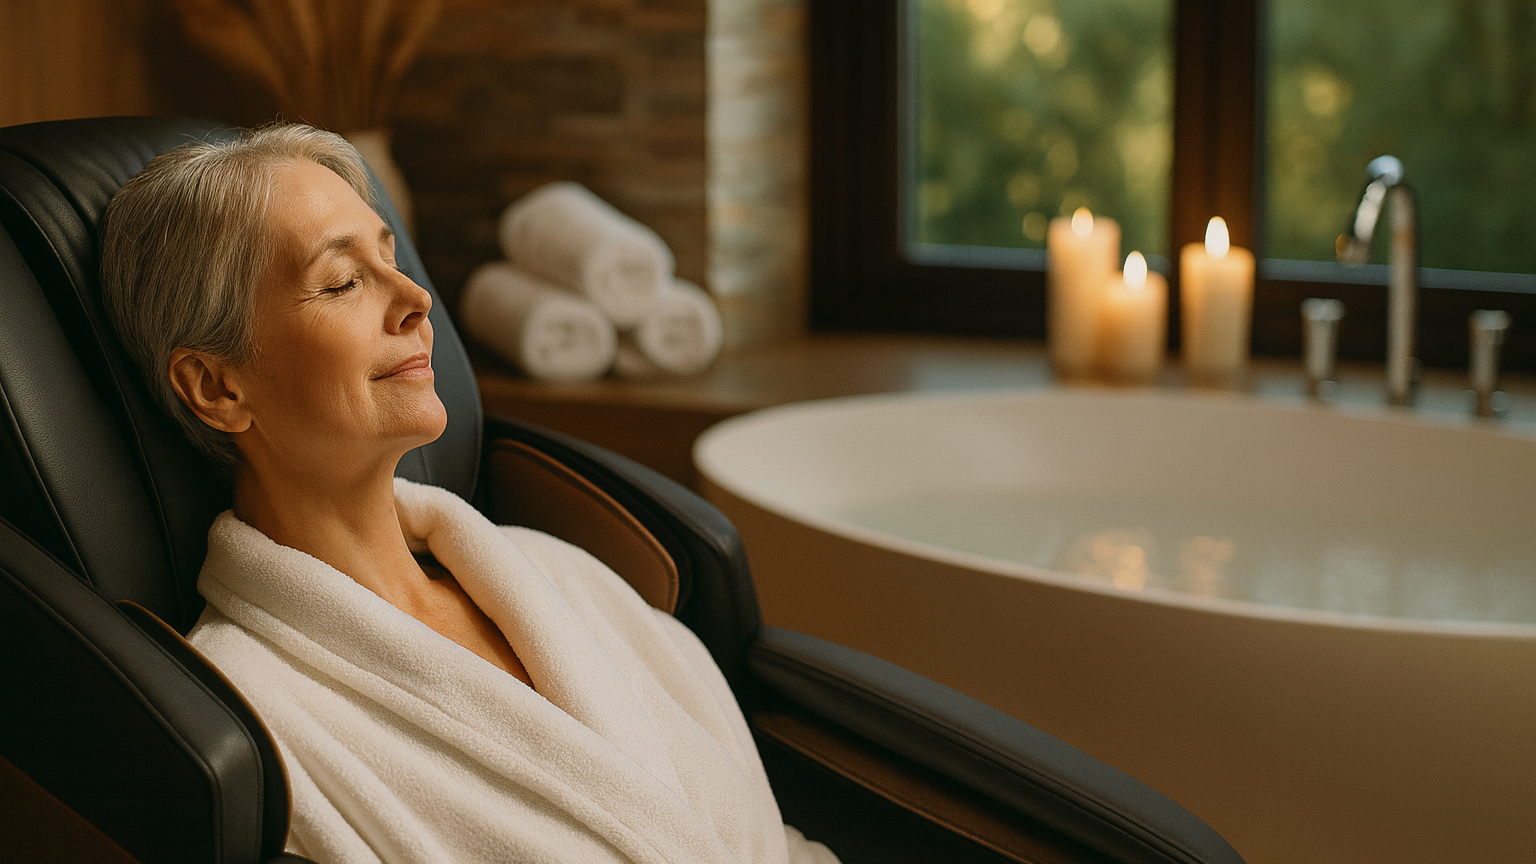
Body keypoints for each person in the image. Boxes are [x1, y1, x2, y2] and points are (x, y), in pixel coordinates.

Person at [98, 124, 837, 864]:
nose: (417, 298)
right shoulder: (251, 729)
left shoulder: (558, 575)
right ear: (218, 387)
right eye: (343, 281)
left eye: (390, 256)